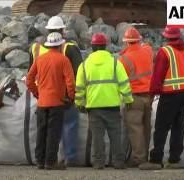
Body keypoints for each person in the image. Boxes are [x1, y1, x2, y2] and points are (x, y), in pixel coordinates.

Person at [139, 26, 184, 170]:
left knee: (161, 127)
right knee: (178, 127)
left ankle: (156, 160)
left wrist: (151, 96)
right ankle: (174, 160)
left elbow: (157, 77)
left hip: (170, 95)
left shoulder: (165, 52)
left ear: (166, 37)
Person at [29, 16, 83, 166]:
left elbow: (29, 77)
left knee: (42, 131)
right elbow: (77, 75)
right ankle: (67, 159)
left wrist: (36, 92)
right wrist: (72, 97)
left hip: (41, 98)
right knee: (65, 127)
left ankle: (40, 160)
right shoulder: (69, 48)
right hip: (61, 98)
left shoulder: (37, 49)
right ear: (62, 31)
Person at [75, 33, 134, 169]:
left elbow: (79, 88)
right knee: (115, 136)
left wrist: (79, 103)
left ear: (93, 47)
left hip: (94, 107)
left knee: (97, 137)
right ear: (105, 46)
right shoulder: (115, 63)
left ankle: (98, 162)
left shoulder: (84, 65)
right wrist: (128, 99)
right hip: (112, 106)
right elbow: (124, 83)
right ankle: (118, 162)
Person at [118, 27, 154, 167]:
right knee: (146, 127)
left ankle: (139, 158)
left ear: (126, 42)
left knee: (135, 128)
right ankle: (144, 156)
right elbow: (148, 47)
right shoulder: (147, 52)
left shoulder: (123, 59)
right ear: (138, 40)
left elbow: (121, 81)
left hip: (134, 97)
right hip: (149, 96)